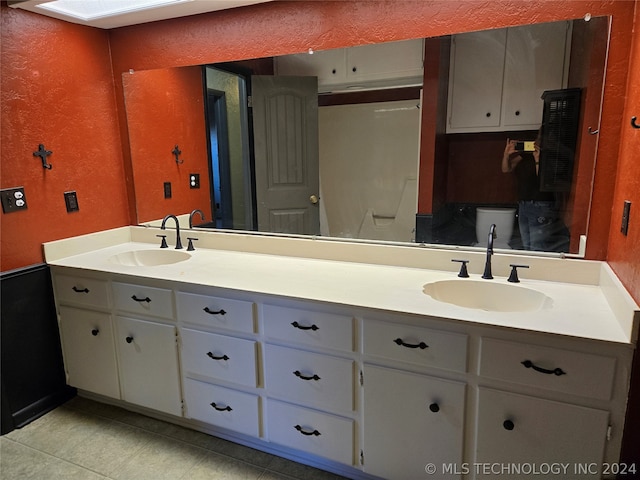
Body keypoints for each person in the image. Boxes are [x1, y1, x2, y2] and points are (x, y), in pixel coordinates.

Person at [501, 135, 562, 251]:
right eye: (537, 138)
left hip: (541, 204)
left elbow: (545, 180)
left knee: (537, 247)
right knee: (527, 245)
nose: (537, 141)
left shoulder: (551, 155)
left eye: (540, 139)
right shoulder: (525, 155)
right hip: (524, 204)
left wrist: (538, 159)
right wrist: (506, 155)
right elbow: (506, 169)